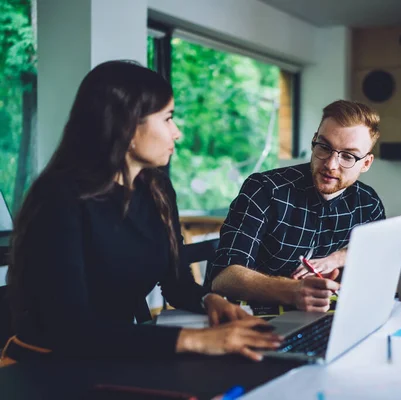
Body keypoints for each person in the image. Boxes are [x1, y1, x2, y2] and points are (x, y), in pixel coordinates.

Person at [1, 60, 281, 366]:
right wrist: (197, 340)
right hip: (44, 367)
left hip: (114, 357)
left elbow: (174, 281)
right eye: (168, 119)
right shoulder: (58, 197)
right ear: (129, 126)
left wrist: (209, 300)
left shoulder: (157, 189)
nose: (177, 133)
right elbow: (72, 329)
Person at [206, 100, 385, 312]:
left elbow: (379, 257)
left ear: (366, 163)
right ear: (313, 142)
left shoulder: (368, 203)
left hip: (330, 315)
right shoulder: (264, 190)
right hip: (255, 315)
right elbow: (224, 277)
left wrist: (339, 258)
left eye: (348, 155)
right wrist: (293, 290)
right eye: (324, 147)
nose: (330, 164)